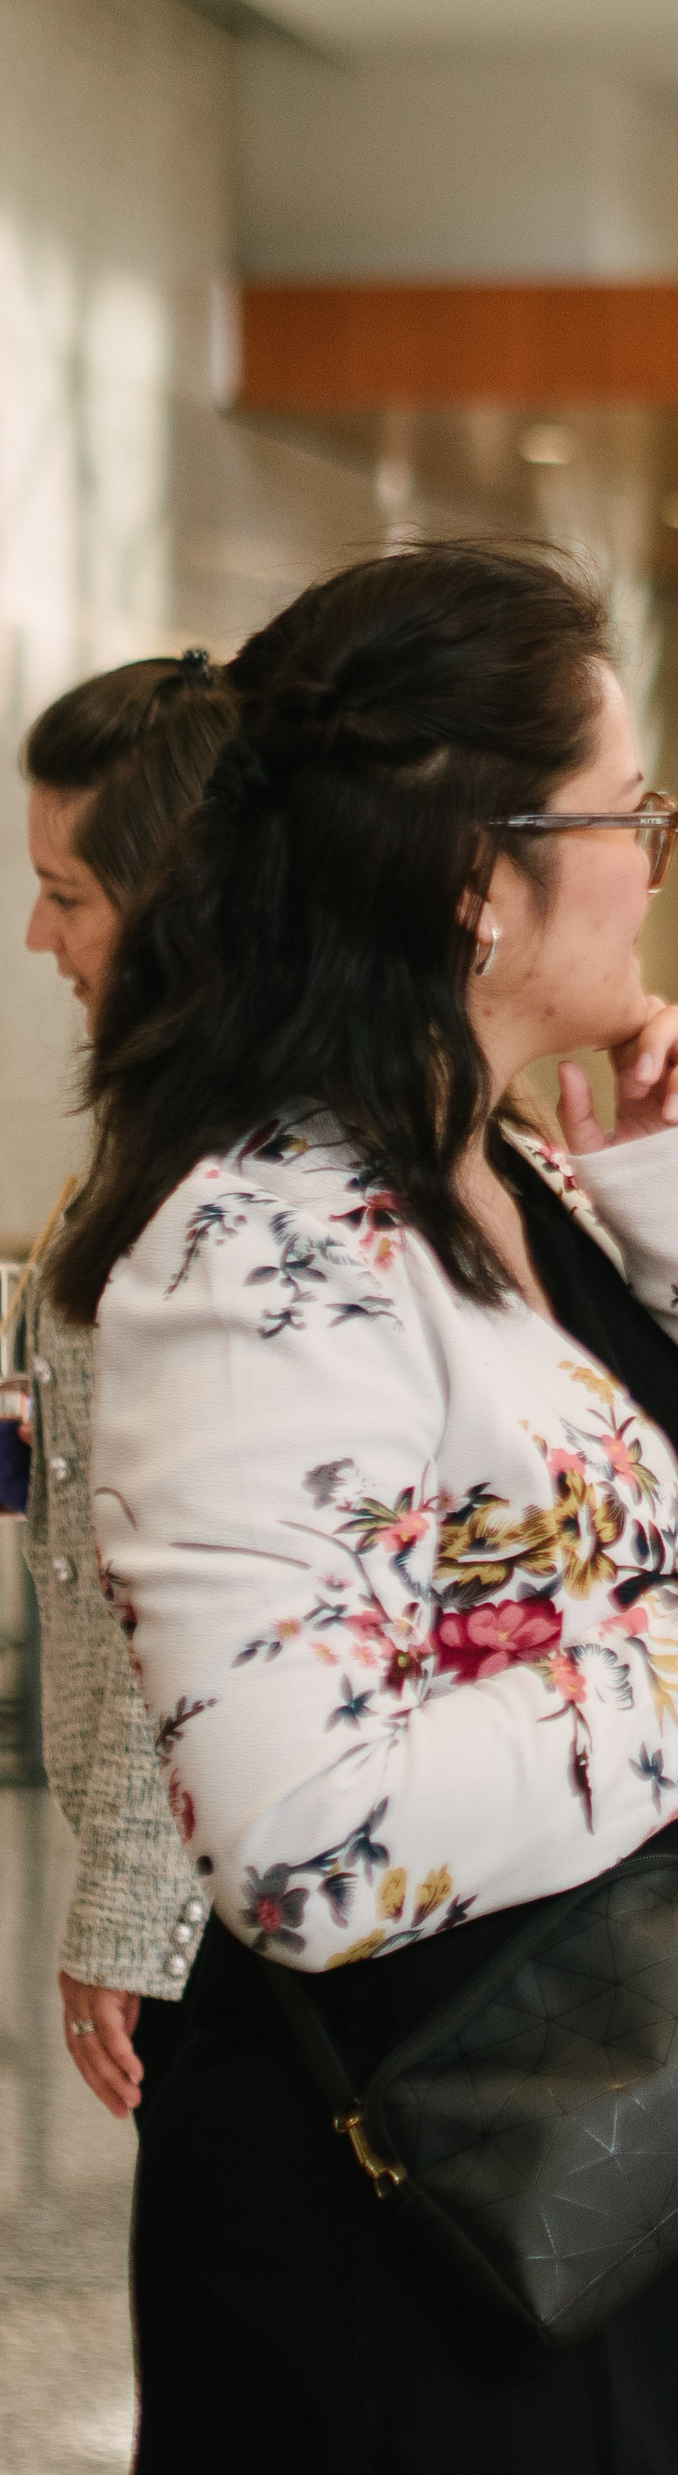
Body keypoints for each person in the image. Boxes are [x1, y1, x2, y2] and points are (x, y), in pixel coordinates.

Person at [49, 543, 678, 2475]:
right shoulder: (260, 1248)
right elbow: (300, 1838)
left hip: (662, 2111)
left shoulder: (524, 1176)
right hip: (443, 2196)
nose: (653, 862)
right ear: (475, 877)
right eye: (632, 818)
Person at [11, 653, 236, 2119]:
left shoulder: (211, 1193)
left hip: (231, 1928)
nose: (37, 933)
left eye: (68, 894)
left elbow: (190, 1566)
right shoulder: (152, 1149)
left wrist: (132, 1913)